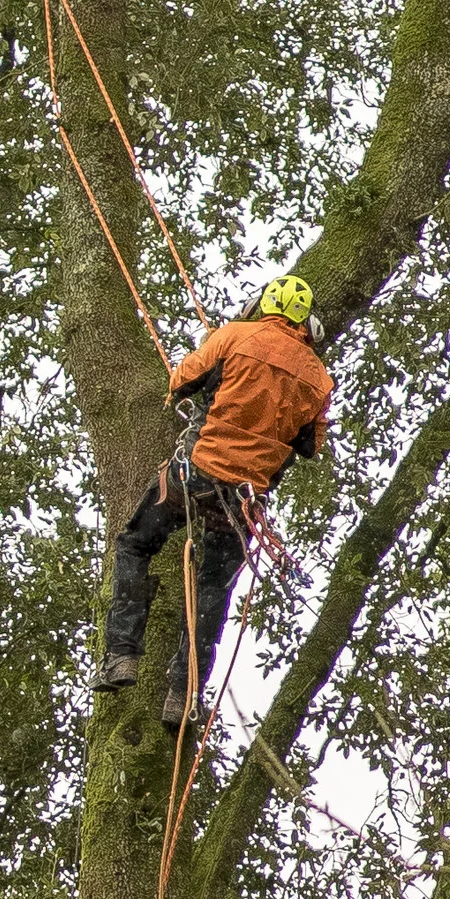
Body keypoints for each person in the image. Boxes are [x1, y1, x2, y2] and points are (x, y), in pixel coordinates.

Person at [97, 275, 334, 726]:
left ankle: (121, 656)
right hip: (243, 499)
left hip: (195, 476)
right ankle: (183, 696)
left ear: (262, 306)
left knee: (135, 544)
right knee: (212, 589)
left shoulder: (233, 336)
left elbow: (180, 381)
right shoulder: (319, 381)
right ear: (307, 324)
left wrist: (220, 367)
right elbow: (309, 445)